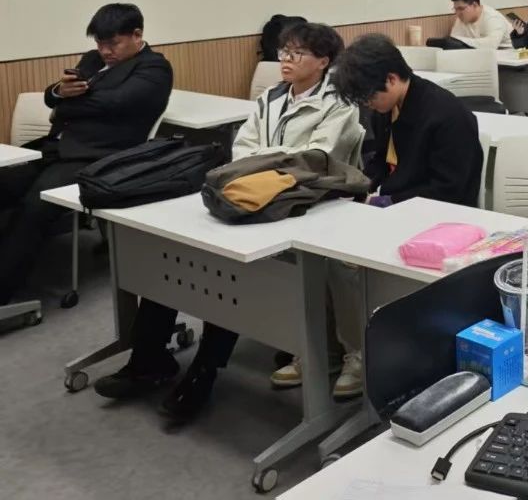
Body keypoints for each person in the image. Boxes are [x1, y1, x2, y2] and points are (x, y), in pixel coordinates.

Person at [94, 24, 364, 420]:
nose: (285, 60)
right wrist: (263, 166)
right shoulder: (270, 97)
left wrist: (263, 164)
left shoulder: (340, 104)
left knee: (239, 269)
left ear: (323, 62)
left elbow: (314, 158)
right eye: (284, 52)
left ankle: (341, 354)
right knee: (185, 250)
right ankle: (148, 359)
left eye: (297, 54)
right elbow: (243, 146)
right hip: (257, 197)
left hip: (313, 202)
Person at [0, 3, 172, 306]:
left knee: (35, 205)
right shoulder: (93, 59)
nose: (105, 51)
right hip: (55, 148)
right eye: (99, 43)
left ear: (137, 35)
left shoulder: (154, 68)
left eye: (113, 43)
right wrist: (58, 92)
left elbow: (115, 103)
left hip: (98, 156)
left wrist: (64, 105)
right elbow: (52, 95)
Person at [332, 33, 483, 205]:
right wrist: (358, 185)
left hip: (440, 209)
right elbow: (382, 160)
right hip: (401, 200)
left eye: (369, 97)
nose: (368, 105)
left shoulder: (448, 115)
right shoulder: (386, 108)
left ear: (391, 79)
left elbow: (448, 189)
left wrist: (388, 201)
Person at [447, 0, 512, 49]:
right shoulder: (462, 18)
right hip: (481, 52)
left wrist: (461, 41)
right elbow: (454, 41)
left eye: (461, 8)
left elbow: (491, 45)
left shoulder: (492, 17)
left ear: (475, 5)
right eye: (455, 9)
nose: (457, 13)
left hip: (508, 50)